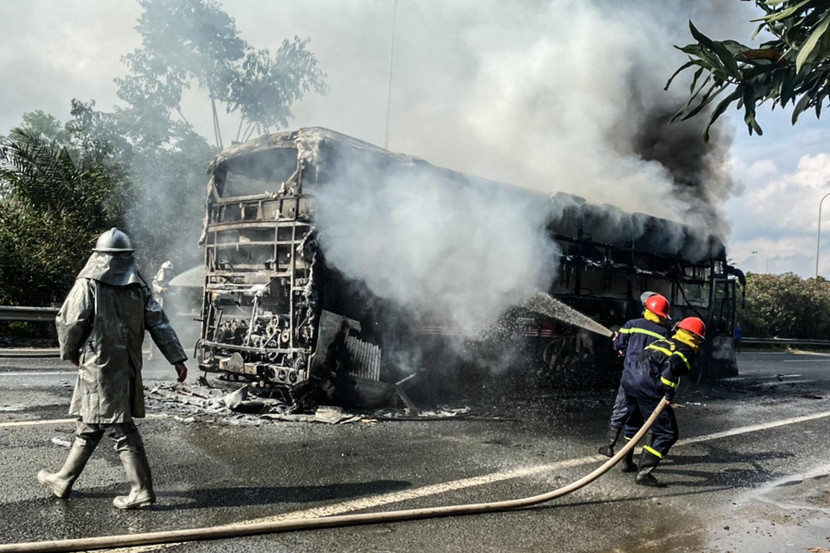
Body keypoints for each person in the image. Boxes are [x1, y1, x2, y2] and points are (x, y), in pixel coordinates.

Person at [38, 228, 188, 510]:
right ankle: (64, 479)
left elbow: (70, 321)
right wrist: (176, 358)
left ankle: (141, 490)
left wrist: (70, 352)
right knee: (89, 423)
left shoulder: (89, 283)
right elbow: (159, 322)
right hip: (127, 364)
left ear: (98, 256)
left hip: (99, 365)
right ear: (127, 258)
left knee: (120, 426)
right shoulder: (138, 286)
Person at [620, 316, 706, 487]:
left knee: (633, 424)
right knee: (667, 433)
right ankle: (644, 473)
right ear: (697, 337)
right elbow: (671, 370)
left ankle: (626, 462)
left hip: (629, 383)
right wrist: (667, 395)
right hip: (647, 389)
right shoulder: (686, 349)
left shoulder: (663, 342)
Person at [597, 293, 671, 473]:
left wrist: (621, 346)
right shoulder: (664, 334)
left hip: (629, 379)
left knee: (622, 410)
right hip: (648, 383)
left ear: (647, 309)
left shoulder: (632, 324)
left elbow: (618, 346)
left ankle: (609, 445)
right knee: (646, 419)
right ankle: (633, 462)